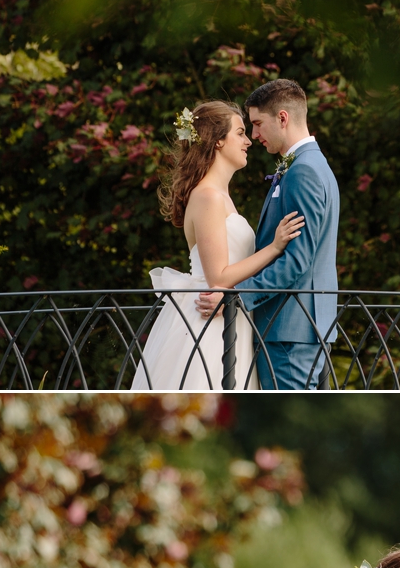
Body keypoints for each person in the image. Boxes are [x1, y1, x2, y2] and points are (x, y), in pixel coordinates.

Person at [131, 100, 303, 390]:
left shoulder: (221, 196)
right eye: (240, 133)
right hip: (208, 322)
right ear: (218, 141)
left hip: (230, 315)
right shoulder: (207, 196)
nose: (248, 141)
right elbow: (219, 277)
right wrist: (274, 247)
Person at [197, 79, 339, 390]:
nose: (255, 135)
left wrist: (237, 299)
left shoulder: (303, 171)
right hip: (300, 325)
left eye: (258, 124)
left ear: (283, 118)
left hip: (290, 327)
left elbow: (296, 261)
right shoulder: (311, 165)